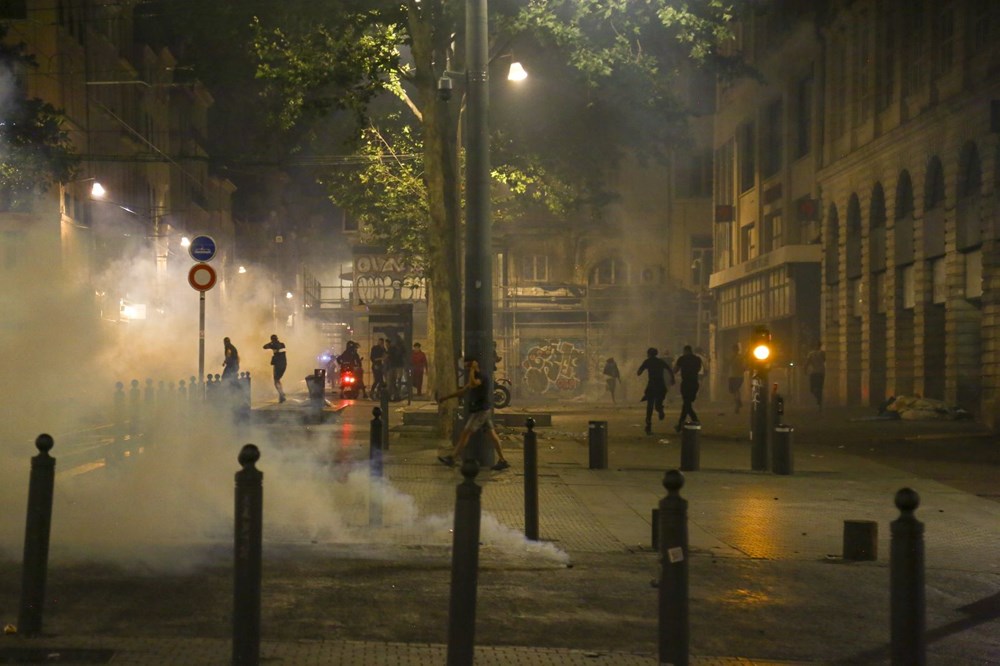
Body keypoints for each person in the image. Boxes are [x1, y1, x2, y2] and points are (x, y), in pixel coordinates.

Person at [436, 356, 510, 471]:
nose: (467, 367)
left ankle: (452, 458)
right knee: (492, 435)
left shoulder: (481, 376)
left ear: (476, 364)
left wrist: (472, 370)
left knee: (465, 433)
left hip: (480, 411)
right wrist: (446, 398)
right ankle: (502, 460)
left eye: (469, 365)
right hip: (483, 411)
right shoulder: (475, 376)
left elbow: (474, 383)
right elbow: (463, 390)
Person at [637, 347, 673, 435]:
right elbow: (669, 369)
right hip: (660, 385)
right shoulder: (660, 361)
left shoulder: (647, 361)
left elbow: (639, 372)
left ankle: (648, 427)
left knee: (649, 407)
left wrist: (640, 371)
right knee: (657, 405)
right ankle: (660, 410)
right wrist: (673, 379)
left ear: (649, 354)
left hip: (652, 385)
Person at [673, 345, 703, 432]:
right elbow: (698, 369)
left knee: (687, 404)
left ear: (685, 351)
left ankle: (695, 420)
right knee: (687, 404)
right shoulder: (697, 359)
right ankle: (680, 425)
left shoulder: (682, 358)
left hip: (686, 383)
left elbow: (675, 370)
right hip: (694, 383)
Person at [263, 334, 287, 403]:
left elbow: (264, 347)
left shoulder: (272, 345)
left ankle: (281, 394)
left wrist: (271, 343)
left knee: (276, 380)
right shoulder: (282, 344)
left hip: (278, 365)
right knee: (278, 379)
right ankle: (281, 394)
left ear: (272, 339)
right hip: (284, 364)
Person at [805, 340, 826, 409]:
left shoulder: (811, 354)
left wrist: (805, 369)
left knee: (812, 388)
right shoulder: (822, 353)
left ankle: (818, 398)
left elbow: (807, 363)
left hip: (814, 372)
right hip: (821, 372)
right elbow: (824, 360)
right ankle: (819, 400)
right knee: (820, 387)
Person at [726, 343, 746, 414]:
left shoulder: (731, 357)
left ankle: (737, 404)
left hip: (732, 376)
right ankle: (738, 402)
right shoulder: (741, 357)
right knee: (736, 390)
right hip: (739, 376)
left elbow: (728, 364)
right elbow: (744, 367)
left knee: (734, 391)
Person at [385, 336, 406, 401]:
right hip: (397, 366)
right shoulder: (401, 348)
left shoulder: (392, 348)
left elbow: (388, 357)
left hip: (392, 367)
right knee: (395, 382)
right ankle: (396, 395)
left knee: (391, 382)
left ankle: (391, 396)